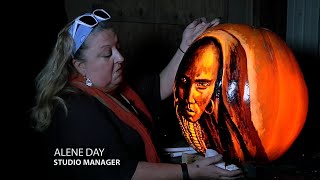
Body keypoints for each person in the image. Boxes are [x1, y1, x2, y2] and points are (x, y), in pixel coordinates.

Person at [30, 8, 243, 179]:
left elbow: (157, 87)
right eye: (107, 54)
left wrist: (185, 46)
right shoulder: (75, 109)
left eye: (118, 48)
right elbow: (120, 170)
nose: (120, 57)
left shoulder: (113, 90)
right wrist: (191, 172)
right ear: (80, 66)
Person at [173, 36, 269, 166]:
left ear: (219, 83)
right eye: (184, 82)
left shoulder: (239, 138)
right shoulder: (184, 118)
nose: (189, 97)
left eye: (202, 84)